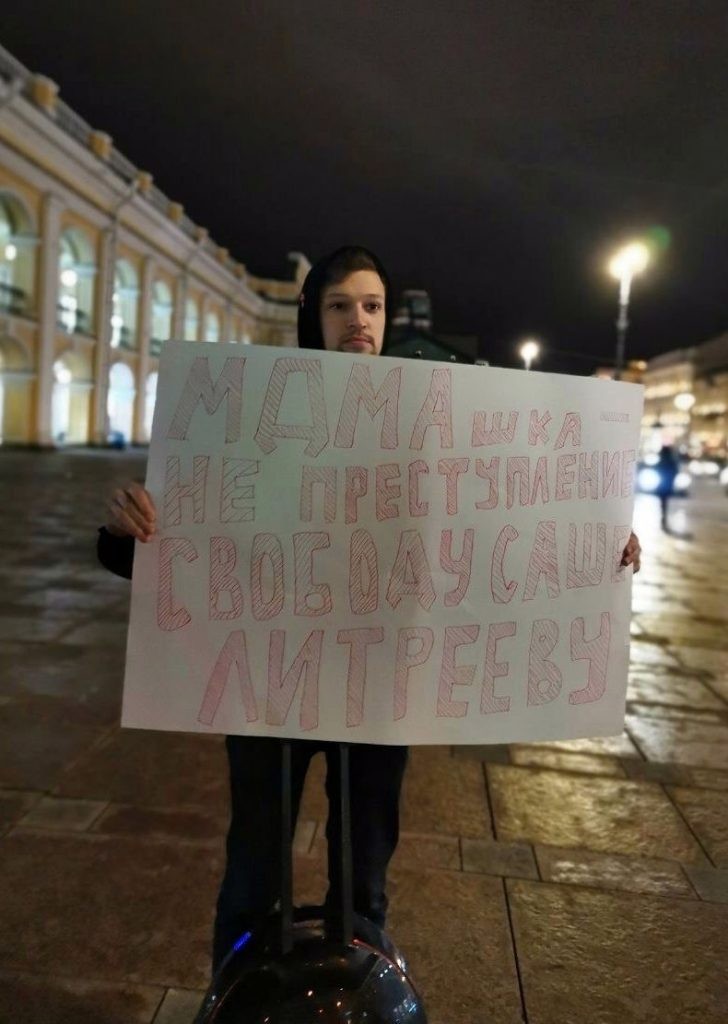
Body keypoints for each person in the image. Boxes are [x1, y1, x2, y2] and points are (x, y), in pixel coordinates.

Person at [97, 245, 643, 972]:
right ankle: (235, 988)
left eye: (372, 305)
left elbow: (496, 533)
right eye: (340, 305)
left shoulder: (432, 420)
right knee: (255, 861)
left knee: (365, 867)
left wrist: (598, 545)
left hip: (379, 685)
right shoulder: (248, 414)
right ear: (312, 316)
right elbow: (171, 552)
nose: (359, 319)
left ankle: (359, 985)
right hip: (271, 688)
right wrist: (126, 526)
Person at [655, 444, 680, 531]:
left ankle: (663, 518)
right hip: (667, 485)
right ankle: (664, 518)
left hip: (662, 485)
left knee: (663, 503)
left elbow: (657, 470)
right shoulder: (671, 461)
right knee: (664, 503)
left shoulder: (662, 461)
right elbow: (675, 471)